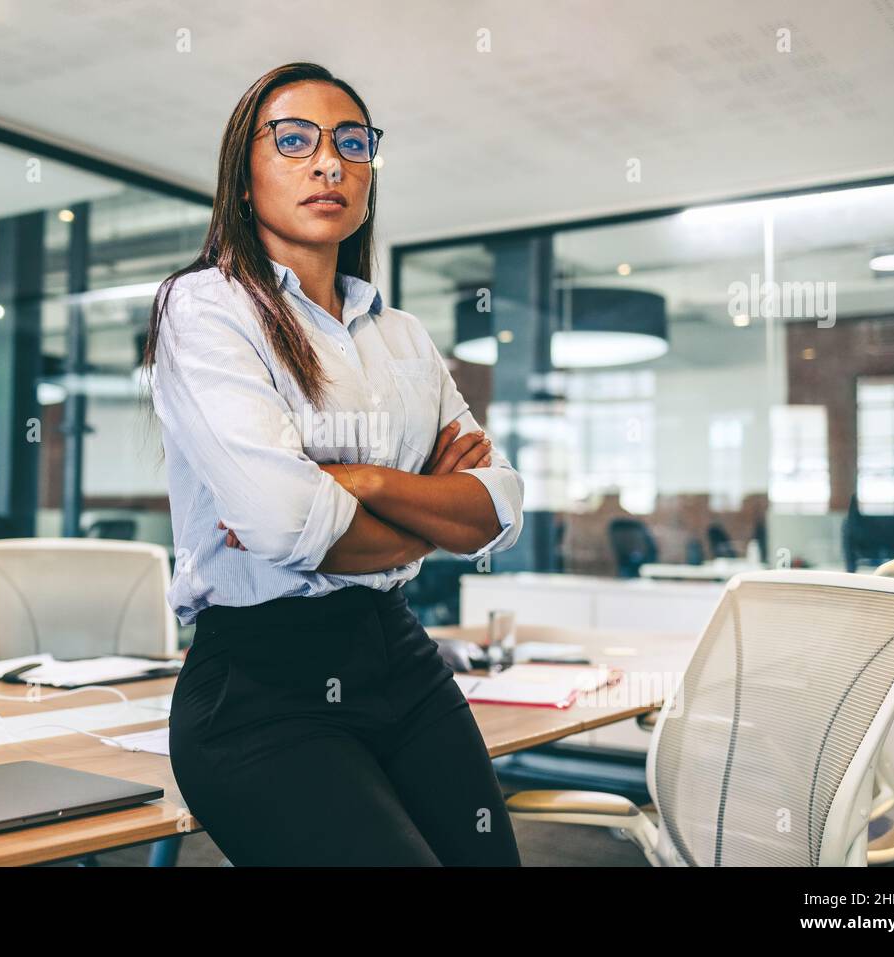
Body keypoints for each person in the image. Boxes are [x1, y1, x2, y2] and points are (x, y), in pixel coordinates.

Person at [142, 61, 524, 866]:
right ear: (242, 181)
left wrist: (365, 483)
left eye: (353, 142)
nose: (329, 162)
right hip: (260, 687)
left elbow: (497, 505)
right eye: (294, 140)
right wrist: (430, 517)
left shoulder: (404, 336)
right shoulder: (205, 307)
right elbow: (285, 521)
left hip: (401, 657)